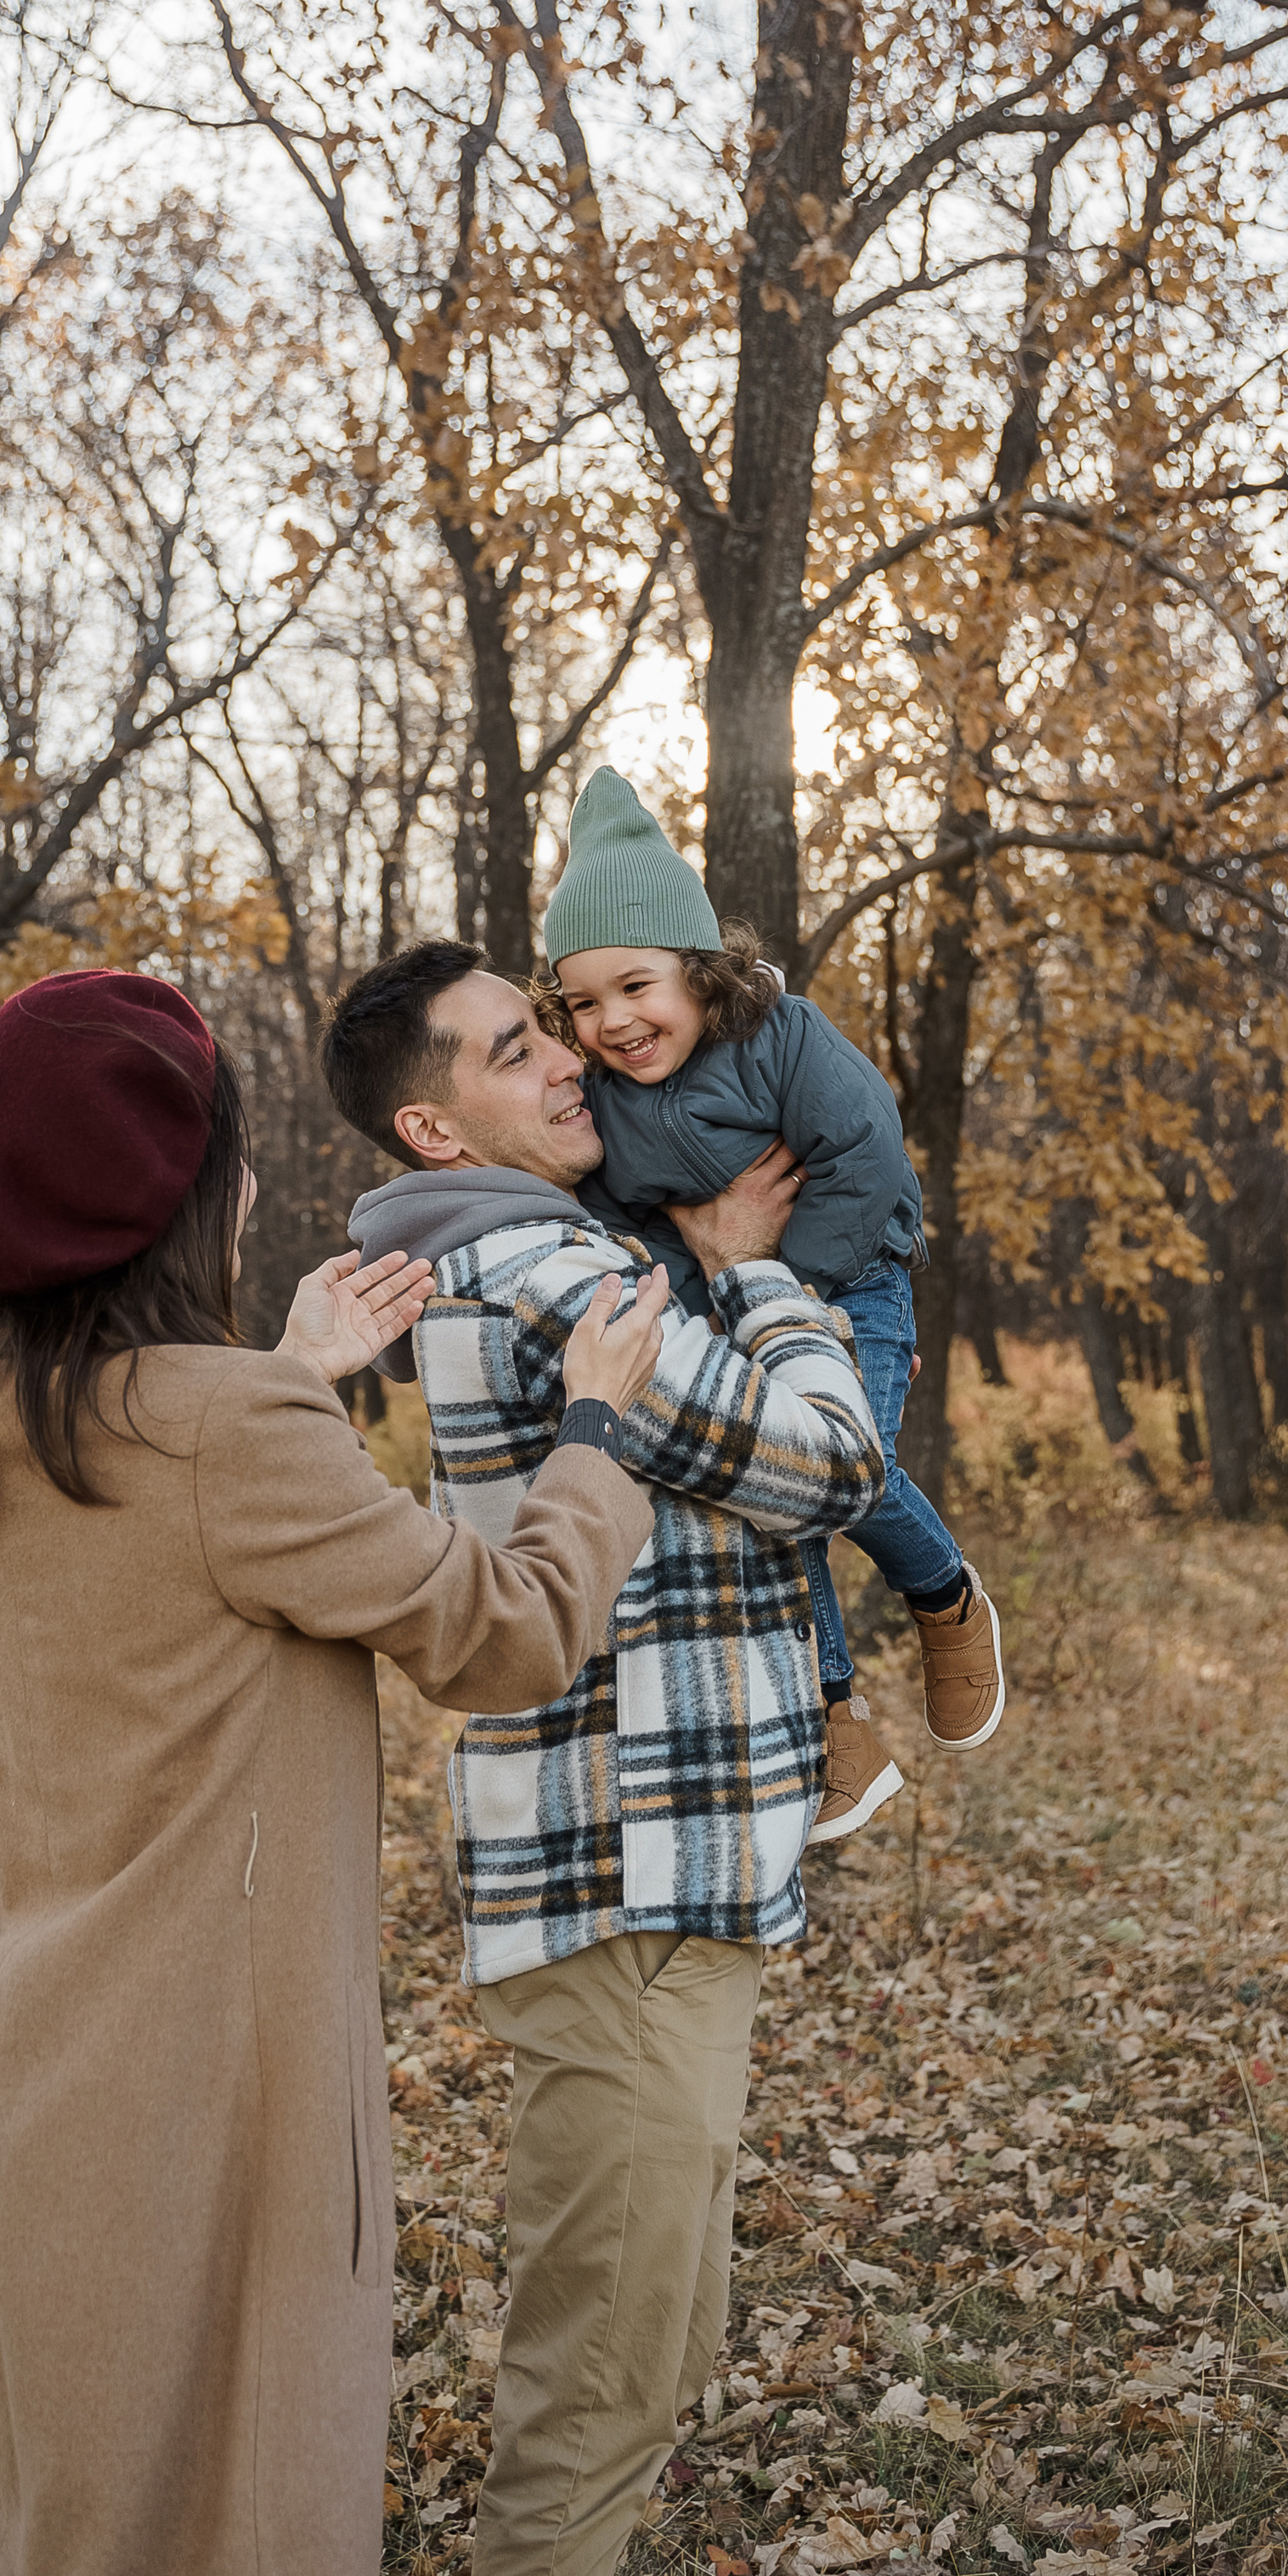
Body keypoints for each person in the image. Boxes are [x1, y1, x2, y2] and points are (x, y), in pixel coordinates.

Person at [0, 965, 666, 2576]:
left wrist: (297, 1375)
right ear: (173, 1197)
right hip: (203, 2116)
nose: (249, 1194)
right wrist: (599, 1437)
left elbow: (173, 1525)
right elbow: (502, 1632)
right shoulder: (230, 1435)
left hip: (35, 2094)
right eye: (226, 1162)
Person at [323, 941, 885, 2576]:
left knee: (644, 2354)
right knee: (592, 2398)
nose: (566, 1062)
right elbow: (827, 1462)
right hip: (627, 1892)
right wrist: (756, 1279)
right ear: (433, 1118)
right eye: (513, 1048)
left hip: (653, 1893)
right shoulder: (545, 1262)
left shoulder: (516, 1248)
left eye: (553, 1028)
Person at [543, 766, 1005, 1837]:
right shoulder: (606, 1109)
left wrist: (785, 1281)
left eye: (636, 985)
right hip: (728, 1310)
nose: (612, 1020)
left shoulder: (782, 1035)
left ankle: (944, 1596)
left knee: (845, 1473)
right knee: (772, 1494)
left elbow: (865, 1152)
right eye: (583, 1001)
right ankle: (836, 1718)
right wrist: (698, 1282)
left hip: (854, 1287)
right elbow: (633, 1223)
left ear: (701, 972)